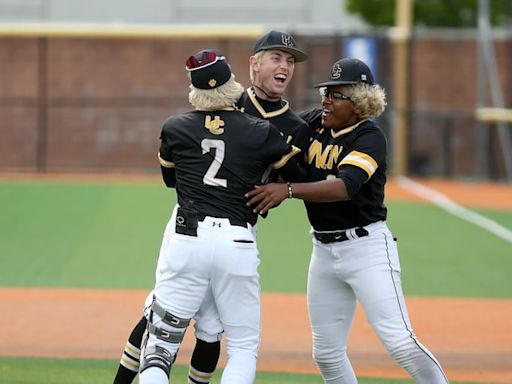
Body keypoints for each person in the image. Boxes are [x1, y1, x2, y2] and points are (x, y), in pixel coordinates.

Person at [113, 30, 309, 384]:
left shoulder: (295, 125)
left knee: (178, 334)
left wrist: (287, 189)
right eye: (276, 57)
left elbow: (172, 177)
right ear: (251, 67)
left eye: (290, 60)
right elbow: (299, 172)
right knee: (227, 339)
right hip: (232, 236)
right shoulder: (258, 123)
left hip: (193, 231)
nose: (284, 66)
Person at [246, 58, 449, 383]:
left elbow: (343, 187)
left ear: (360, 102)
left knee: (400, 343)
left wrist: (287, 189)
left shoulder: (370, 138)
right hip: (323, 251)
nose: (326, 100)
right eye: (327, 92)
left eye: (337, 95)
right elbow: (279, 130)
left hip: (366, 249)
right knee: (326, 352)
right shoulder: (315, 123)